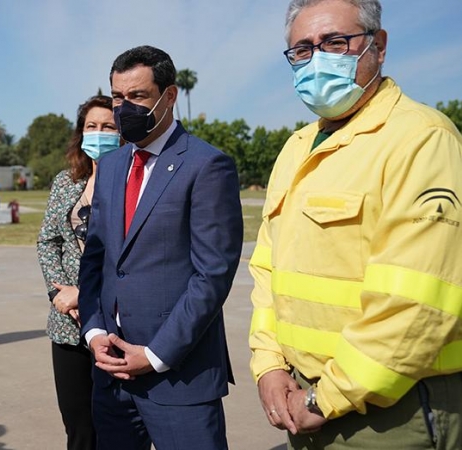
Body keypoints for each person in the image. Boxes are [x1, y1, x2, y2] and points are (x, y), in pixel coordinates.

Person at [249, 0, 462, 448]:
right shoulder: (297, 148)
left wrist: (324, 399)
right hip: (303, 397)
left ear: (378, 47)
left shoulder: (422, 139)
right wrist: (268, 365)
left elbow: (416, 304)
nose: (318, 57)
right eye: (302, 49)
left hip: (392, 410)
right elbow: (268, 273)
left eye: (335, 42)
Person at [78, 46, 244, 450]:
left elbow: (212, 276)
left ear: (169, 97)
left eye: (137, 97)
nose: (124, 108)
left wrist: (154, 354)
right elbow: (97, 260)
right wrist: (95, 329)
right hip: (112, 374)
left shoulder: (207, 166)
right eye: (118, 97)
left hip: (179, 378)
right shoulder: (114, 166)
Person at [37, 94, 119, 450]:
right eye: (91, 126)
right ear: (80, 134)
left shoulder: (135, 184)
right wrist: (59, 294)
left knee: (117, 429)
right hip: (67, 327)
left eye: (108, 127)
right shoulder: (65, 182)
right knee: (79, 430)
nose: (98, 133)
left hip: (117, 326)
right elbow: (47, 241)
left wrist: (84, 295)